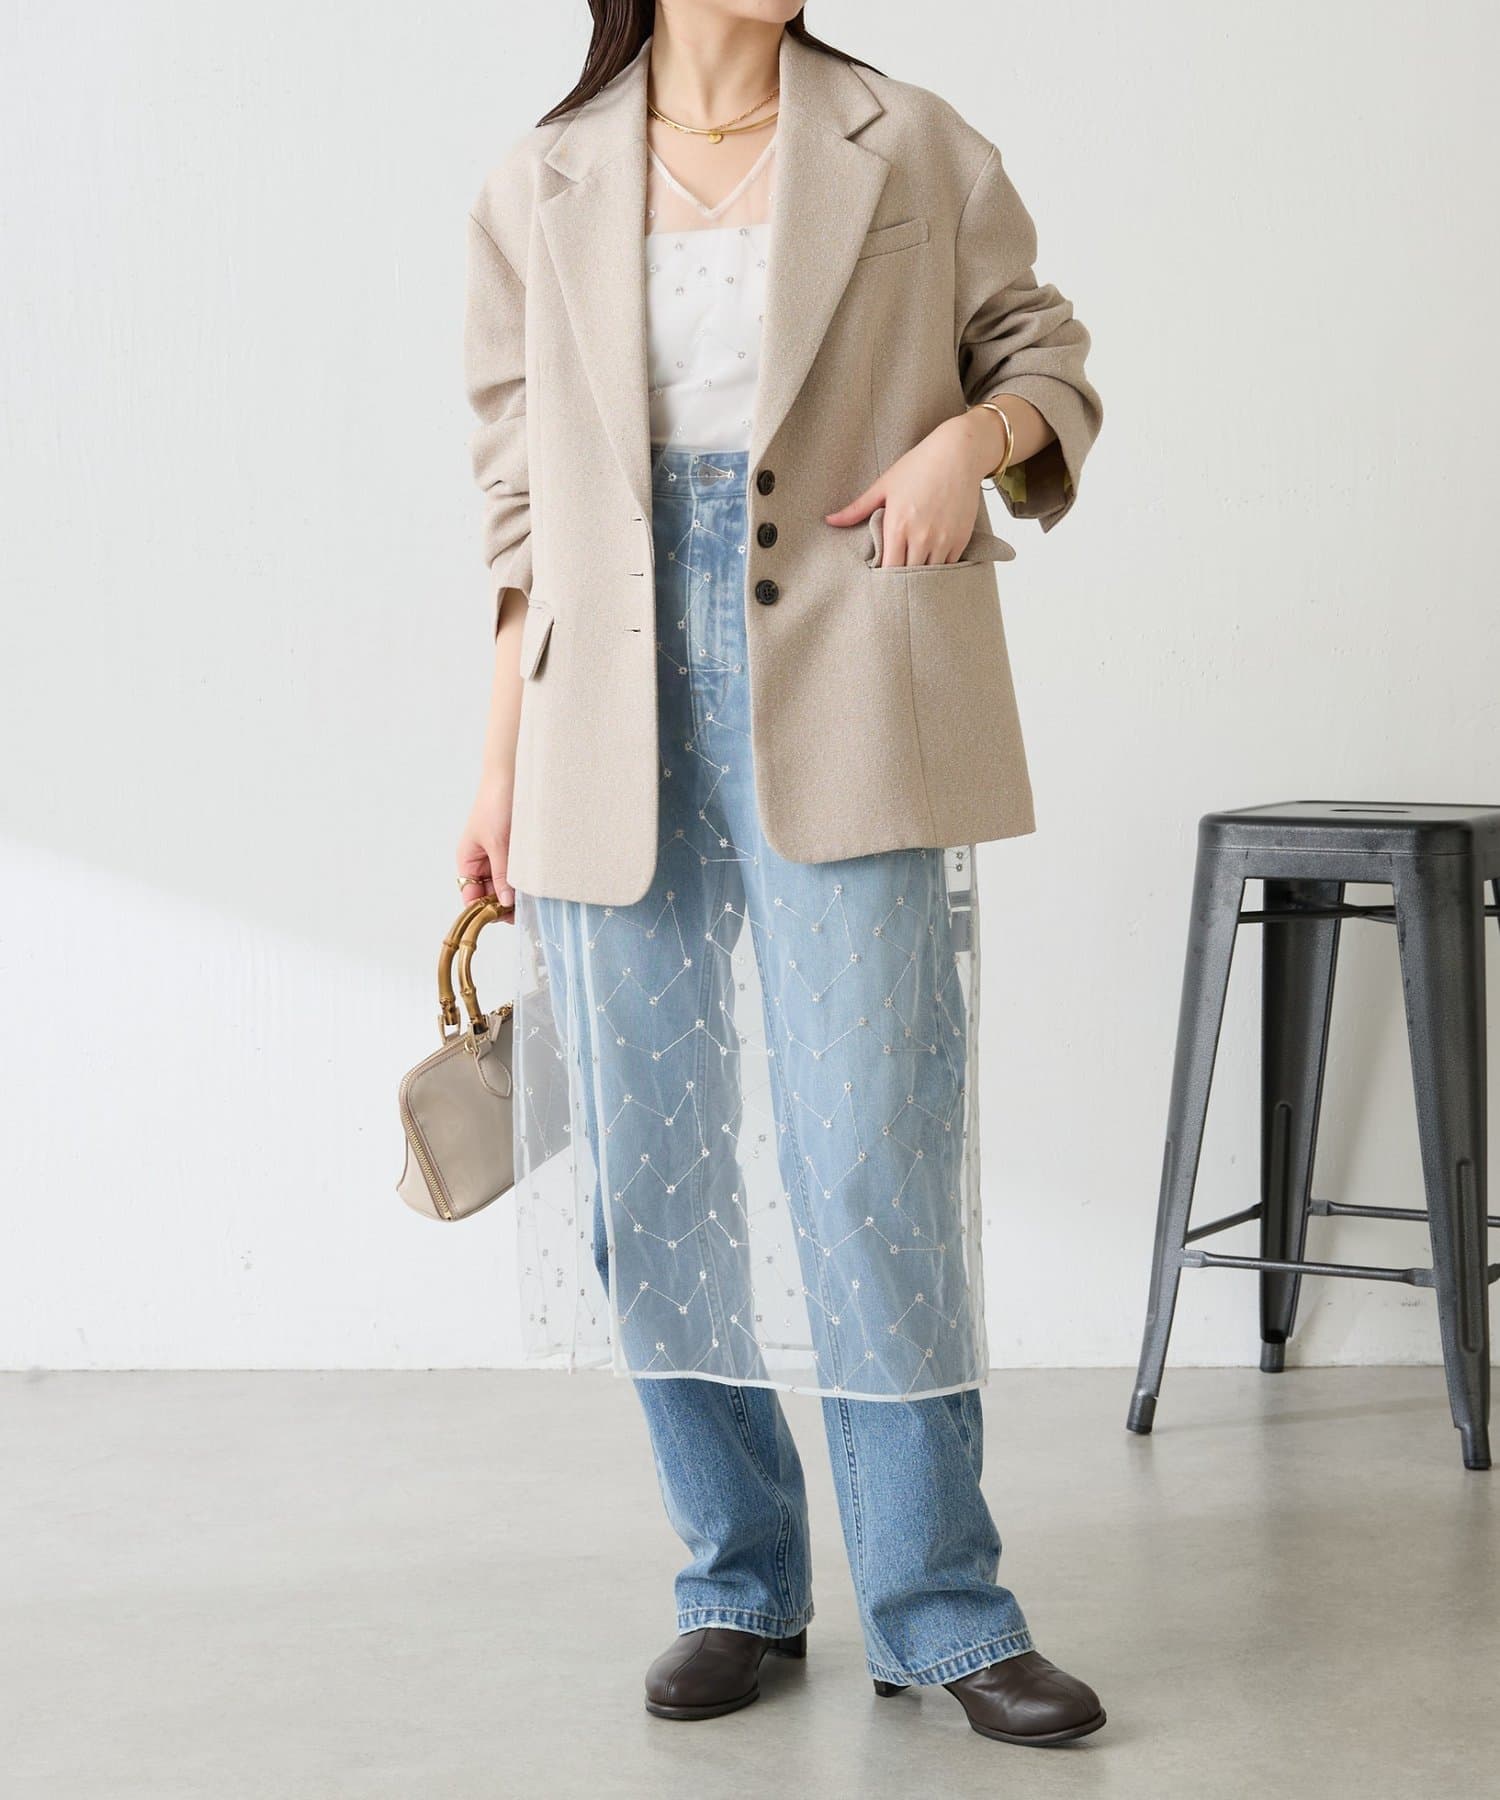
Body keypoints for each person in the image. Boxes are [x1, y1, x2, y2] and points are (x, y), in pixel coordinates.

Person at [458, 0, 1105, 1748]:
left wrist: (970, 447)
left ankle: (942, 1608)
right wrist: (498, 766)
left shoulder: (909, 139)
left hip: (850, 664)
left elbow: (1045, 358)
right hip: (604, 700)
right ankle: (736, 1575)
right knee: (649, 1162)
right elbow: (516, 510)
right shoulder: (541, 179)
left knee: (874, 1143)